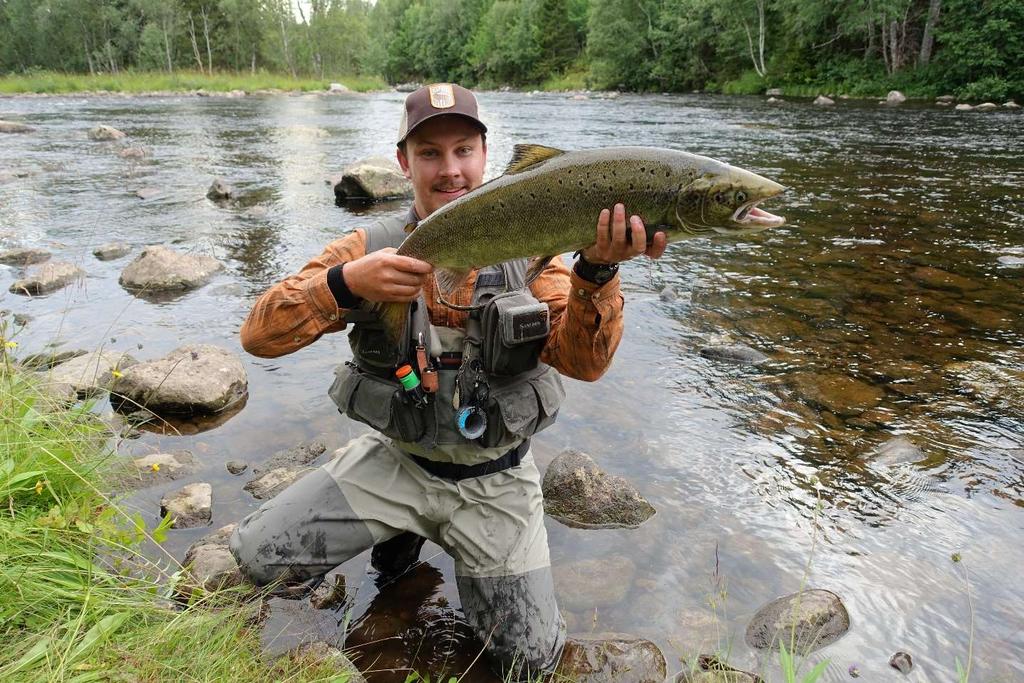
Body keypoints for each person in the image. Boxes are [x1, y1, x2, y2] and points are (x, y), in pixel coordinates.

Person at [229, 83, 666, 680]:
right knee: (254, 560)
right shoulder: (368, 246)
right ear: (404, 162)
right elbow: (259, 336)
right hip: (398, 464)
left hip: (496, 481)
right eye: (430, 154)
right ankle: (401, 542)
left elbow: (584, 362)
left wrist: (598, 268)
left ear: (486, 155)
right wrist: (345, 284)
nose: (450, 169)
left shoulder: (536, 252)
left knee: (529, 661)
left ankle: (416, 558)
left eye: (463, 149)